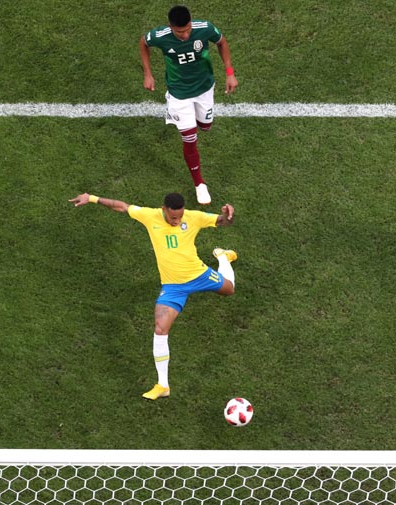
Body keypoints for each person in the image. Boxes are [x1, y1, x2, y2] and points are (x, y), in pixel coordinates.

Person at [69, 191, 238, 400]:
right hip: (173, 287)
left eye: (180, 216)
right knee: (160, 328)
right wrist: (93, 198)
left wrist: (228, 217)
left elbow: (221, 222)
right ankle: (163, 385)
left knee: (229, 289)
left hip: (199, 275)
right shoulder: (150, 216)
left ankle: (223, 258)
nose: (177, 221)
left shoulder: (192, 217)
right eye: (173, 217)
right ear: (163, 209)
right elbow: (122, 206)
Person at [139, 5, 238, 205]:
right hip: (179, 94)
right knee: (190, 139)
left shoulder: (205, 28)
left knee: (206, 127)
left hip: (204, 88)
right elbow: (143, 43)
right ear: (171, 27)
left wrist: (230, 73)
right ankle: (199, 184)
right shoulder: (160, 35)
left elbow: (222, 42)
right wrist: (148, 73)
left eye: (187, 30)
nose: (184, 35)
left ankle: (196, 122)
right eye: (179, 32)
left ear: (191, 22)